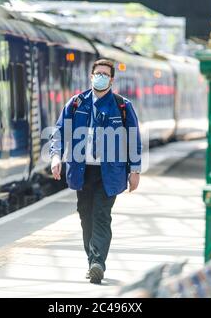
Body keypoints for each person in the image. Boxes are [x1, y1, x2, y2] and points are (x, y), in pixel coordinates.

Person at [49, 59, 142, 284]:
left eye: (105, 74)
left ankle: (98, 263)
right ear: (91, 76)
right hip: (82, 172)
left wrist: (135, 170)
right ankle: (93, 261)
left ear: (111, 79)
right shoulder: (75, 104)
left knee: (101, 215)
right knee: (85, 215)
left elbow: (133, 138)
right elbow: (59, 132)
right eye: (97, 73)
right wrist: (55, 156)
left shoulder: (121, 105)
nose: (100, 77)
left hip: (109, 173)